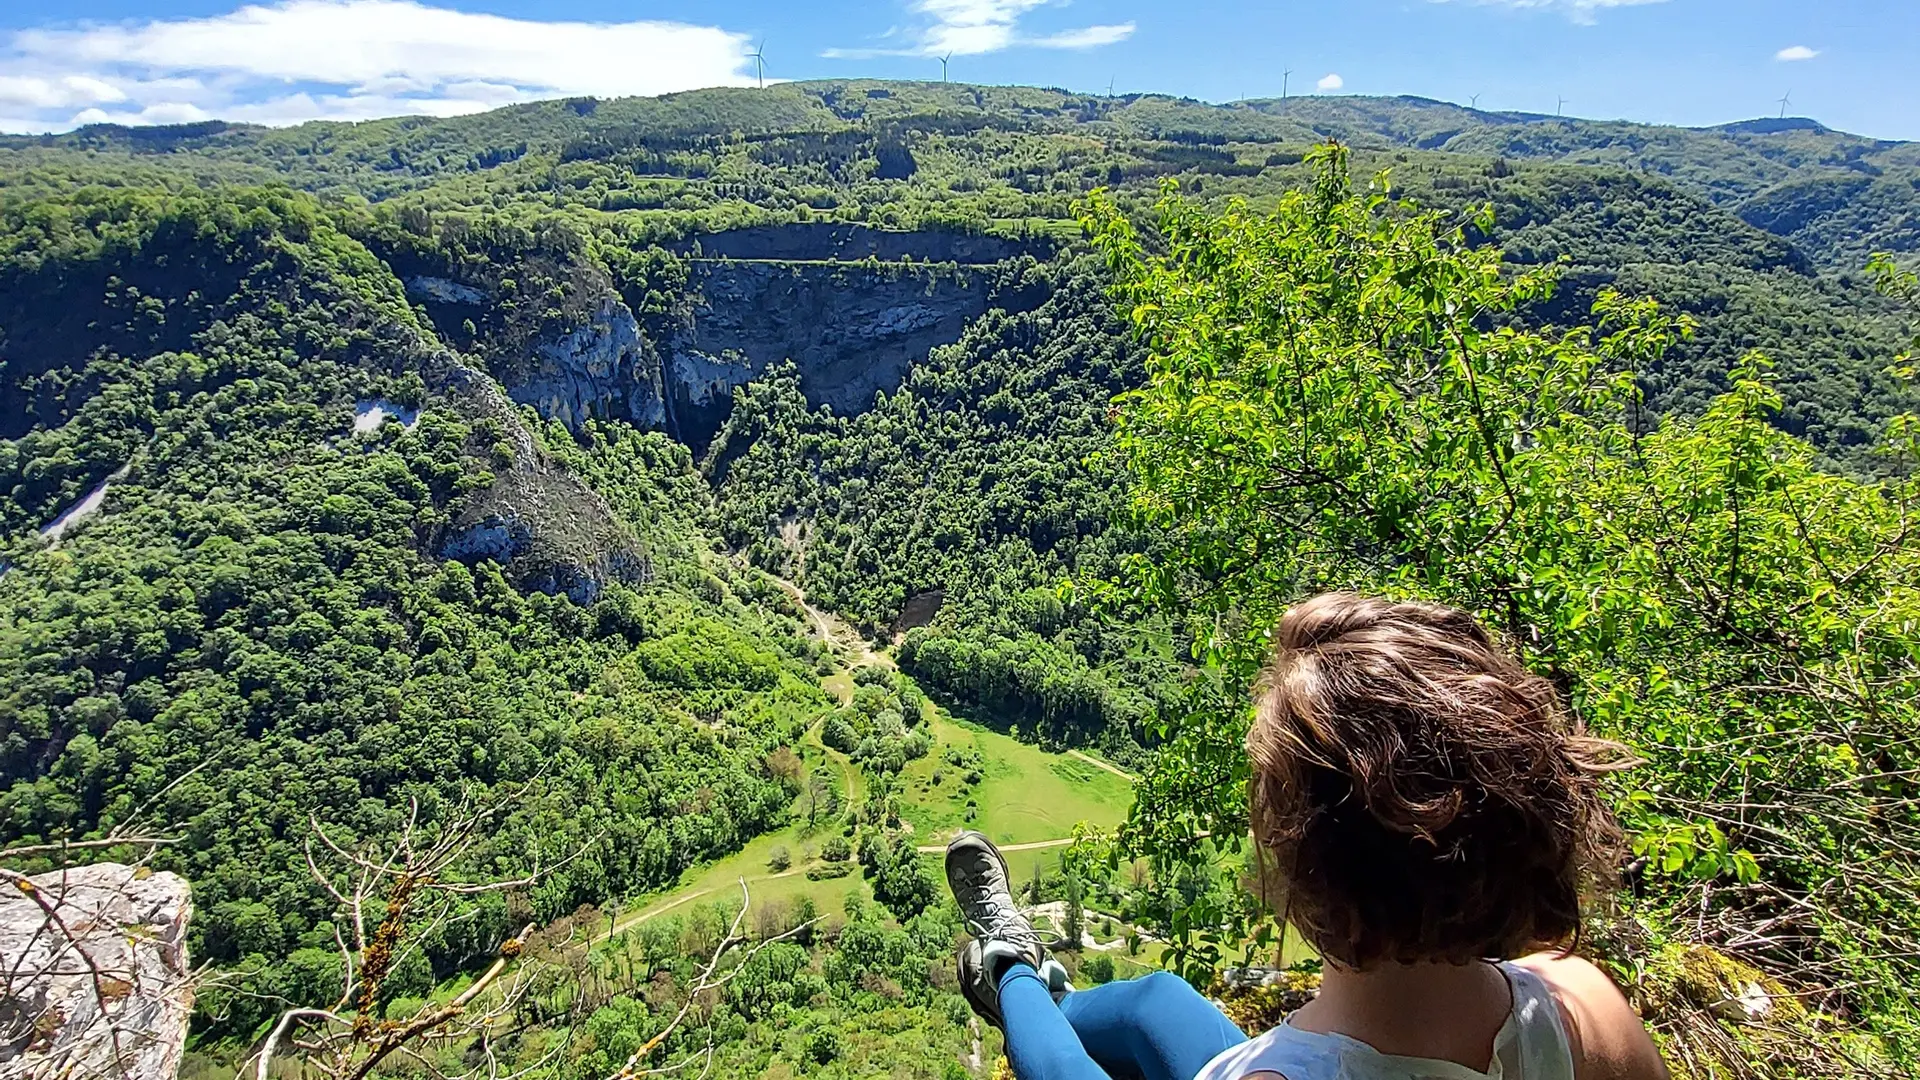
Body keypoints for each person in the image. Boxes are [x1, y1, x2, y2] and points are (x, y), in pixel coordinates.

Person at [946, 592, 1670, 1080]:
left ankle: (1008, 969)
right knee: (1154, 1002)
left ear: (1305, 868)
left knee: (1060, 1066)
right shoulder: (1583, 1007)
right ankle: (1048, 992)